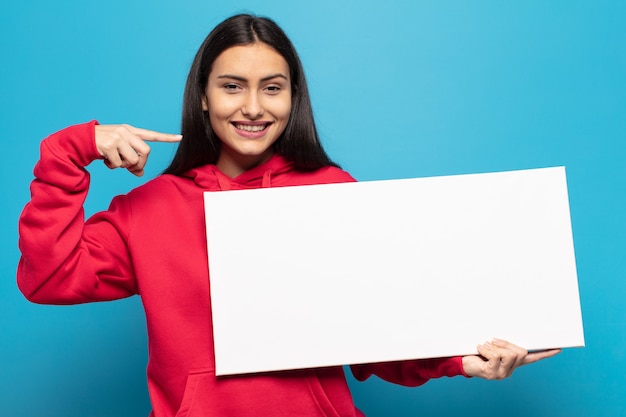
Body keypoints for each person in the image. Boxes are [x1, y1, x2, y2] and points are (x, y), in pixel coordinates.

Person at [17, 13, 560, 417]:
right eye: (232, 87)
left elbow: (379, 332)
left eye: (271, 89)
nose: (253, 107)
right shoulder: (150, 209)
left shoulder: (331, 192)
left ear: (291, 98)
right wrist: (71, 151)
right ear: (203, 97)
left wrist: (463, 361)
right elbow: (49, 277)